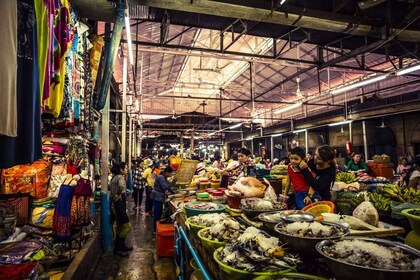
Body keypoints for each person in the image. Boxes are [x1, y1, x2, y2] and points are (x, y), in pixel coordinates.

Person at [110, 162, 132, 257]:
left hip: (117, 204)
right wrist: (118, 194)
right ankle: (119, 248)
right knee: (127, 227)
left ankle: (122, 247)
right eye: (126, 168)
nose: (127, 170)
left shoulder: (114, 177)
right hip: (119, 205)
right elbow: (121, 187)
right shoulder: (120, 177)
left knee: (120, 227)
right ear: (121, 169)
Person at [150, 166, 176, 233]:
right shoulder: (161, 177)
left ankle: (156, 228)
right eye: (170, 173)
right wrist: (172, 183)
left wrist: (174, 193)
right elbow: (165, 187)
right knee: (157, 213)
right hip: (157, 196)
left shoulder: (164, 178)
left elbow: (168, 188)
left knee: (159, 212)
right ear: (166, 172)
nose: (170, 175)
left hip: (159, 197)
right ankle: (155, 230)